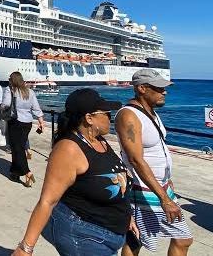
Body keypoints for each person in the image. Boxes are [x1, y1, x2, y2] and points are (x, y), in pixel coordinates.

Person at [11, 89, 137, 256]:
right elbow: (47, 201)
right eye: (106, 113)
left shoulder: (99, 141)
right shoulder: (69, 149)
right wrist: (26, 248)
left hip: (108, 234)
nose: (110, 117)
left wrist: (126, 216)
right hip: (84, 236)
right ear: (89, 118)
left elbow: (116, 181)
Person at [115, 69, 193, 256]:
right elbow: (135, 159)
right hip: (143, 190)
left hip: (159, 186)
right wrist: (164, 199)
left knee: (138, 239)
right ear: (141, 88)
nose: (164, 92)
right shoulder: (128, 115)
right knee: (179, 238)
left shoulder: (149, 112)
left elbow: (156, 149)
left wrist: (167, 179)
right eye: (159, 88)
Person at [1, 72, 45, 187]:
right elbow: (36, 108)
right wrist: (41, 120)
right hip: (27, 123)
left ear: (12, 80)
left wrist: (1, 108)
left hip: (15, 122)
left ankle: (27, 172)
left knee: (18, 148)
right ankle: (15, 173)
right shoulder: (30, 91)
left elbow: (6, 104)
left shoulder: (10, 90)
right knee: (19, 147)